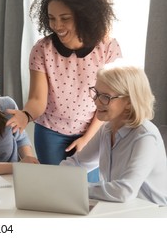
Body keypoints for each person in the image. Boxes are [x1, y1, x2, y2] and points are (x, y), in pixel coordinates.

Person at [6, 0, 122, 182]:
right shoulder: (42, 49)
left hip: (94, 131)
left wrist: (87, 138)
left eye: (65, 18)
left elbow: (108, 101)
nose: (57, 25)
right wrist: (26, 115)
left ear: (83, 15)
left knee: (91, 194)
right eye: (52, 18)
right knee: (56, 189)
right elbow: (37, 100)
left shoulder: (107, 48)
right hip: (51, 133)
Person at [61, 62, 167, 205]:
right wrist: (53, 179)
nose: (97, 102)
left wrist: (78, 188)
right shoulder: (107, 129)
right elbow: (78, 163)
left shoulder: (145, 137)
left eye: (105, 96)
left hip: (151, 216)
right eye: (96, 93)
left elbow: (125, 191)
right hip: (121, 209)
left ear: (129, 101)